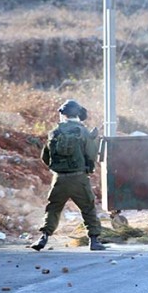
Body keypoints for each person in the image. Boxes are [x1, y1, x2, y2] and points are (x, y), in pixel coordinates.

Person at [30, 99, 107, 252]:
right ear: (78, 114)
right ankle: (94, 240)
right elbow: (91, 155)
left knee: (53, 208)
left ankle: (44, 237)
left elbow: (45, 157)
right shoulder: (83, 131)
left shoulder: (54, 132)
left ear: (63, 115)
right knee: (88, 208)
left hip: (59, 179)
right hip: (79, 178)